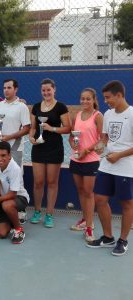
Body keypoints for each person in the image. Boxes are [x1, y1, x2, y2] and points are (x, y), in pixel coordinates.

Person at [86, 80, 133, 256]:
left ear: (119, 95)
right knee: (99, 199)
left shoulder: (132, 114)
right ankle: (108, 237)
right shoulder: (108, 114)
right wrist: (100, 146)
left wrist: (119, 155)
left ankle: (123, 240)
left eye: (108, 97)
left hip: (126, 167)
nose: (105, 101)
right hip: (107, 165)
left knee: (126, 204)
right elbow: (105, 139)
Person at [29, 78, 71, 228]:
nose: (46, 92)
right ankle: (37, 211)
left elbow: (67, 128)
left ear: (54, 90)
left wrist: (51, 128)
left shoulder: (61, 107)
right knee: (38, 182)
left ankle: (49, 214)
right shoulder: (35, 107)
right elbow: (33, 127)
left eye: (49, 89)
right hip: (39, 148)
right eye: (43, 90)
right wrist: (31, 137)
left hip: (54, 149)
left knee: (52, 183)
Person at [69, 88, 103, 242]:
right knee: (81, 191)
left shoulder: (98, 116)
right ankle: (84, 220)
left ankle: (90, 228)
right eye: (82, 98)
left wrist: (87, 151)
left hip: (91, 160)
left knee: (89, 193)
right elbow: (72, 136)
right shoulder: (77, 115)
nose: (84, 101)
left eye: (88, 99)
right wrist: (73, 145)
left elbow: (102, 139)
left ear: (94, 100)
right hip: (76, 159)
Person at [0, 141, 30, 244]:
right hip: (3, 200)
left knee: (6, 205)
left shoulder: (15, 169)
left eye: (3, 155)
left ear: (9, 155)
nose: (0, 159)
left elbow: (13, 194)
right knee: (1, 234)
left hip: (18, 198)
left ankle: (18, 230)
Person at [0, 79, 31, 167]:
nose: (6, 90)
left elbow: (26, 129)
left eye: (9, 87)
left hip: (15, 148)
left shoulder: (22, 107)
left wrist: (10, 137)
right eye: (4, 88)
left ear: (15, 89)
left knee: (15, 177)